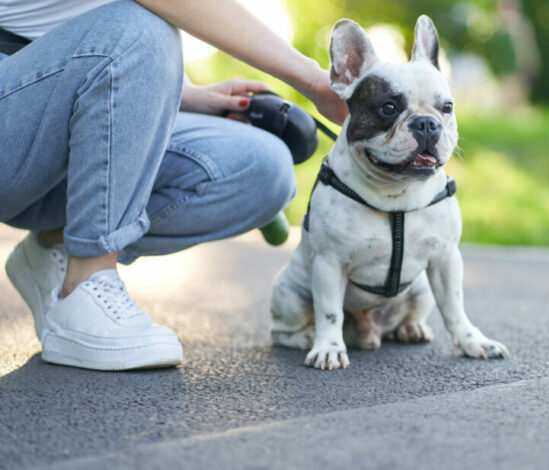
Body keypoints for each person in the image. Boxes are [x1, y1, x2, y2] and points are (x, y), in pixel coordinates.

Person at [0, 0, 348, 371]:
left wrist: (184, 94)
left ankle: (58, 244)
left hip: (49, 97)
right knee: (140, 29)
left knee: (262, 166)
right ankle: (86, 281)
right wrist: (314, 80)